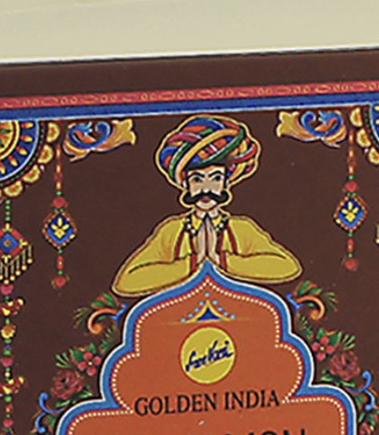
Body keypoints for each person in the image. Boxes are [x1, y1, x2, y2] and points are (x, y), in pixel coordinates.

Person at [112, 114, 301, 298]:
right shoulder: (172, 230)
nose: (206, 188)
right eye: (197, 179)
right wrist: (191, 264)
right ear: (185, 184)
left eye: (215, 178)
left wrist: (223, 261)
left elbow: (287, 266)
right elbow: (127, 281)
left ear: (226, 183)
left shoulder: (241, 228)